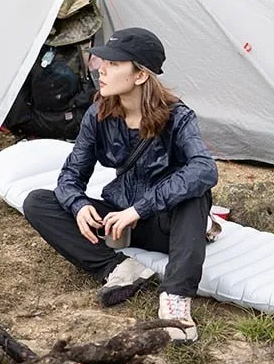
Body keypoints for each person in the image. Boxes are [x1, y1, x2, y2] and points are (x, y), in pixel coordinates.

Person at [22, 27, 218, 342]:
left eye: (114, 64)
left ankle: (176, 301)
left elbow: (205, 169)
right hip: (120, 219)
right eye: (103, 61)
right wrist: (79, 205)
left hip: (167, 225)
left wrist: (140, 208)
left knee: (193, 195)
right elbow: (70, 176)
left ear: (140, 75)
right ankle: (119, 269)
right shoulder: (98, 114)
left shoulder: (178, 118)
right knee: (37, 202)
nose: (101, 68)